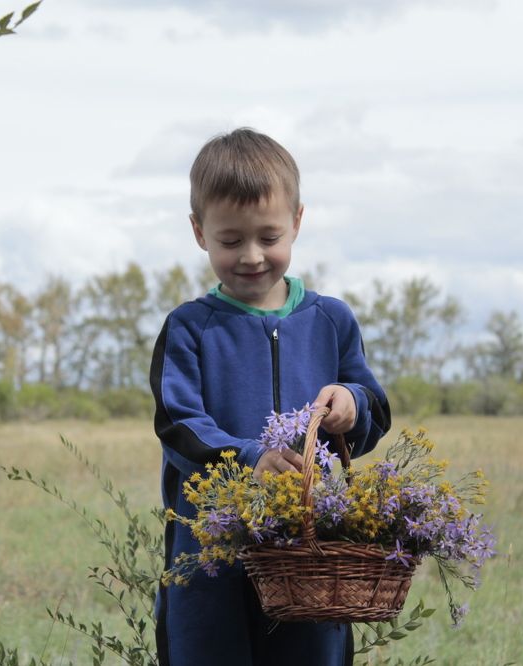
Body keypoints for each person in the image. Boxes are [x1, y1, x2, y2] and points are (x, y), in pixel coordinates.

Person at [149, 128, 391, 666]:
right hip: (209, 561)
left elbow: (374, 410)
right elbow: (178, 426)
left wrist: (352, 405)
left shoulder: (330, 320)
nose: (252, 256)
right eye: (230, 241)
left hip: (309, 556)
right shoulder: (189, 328)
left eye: (269, 236)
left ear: (298, 222)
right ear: (199, 232)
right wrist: (251, 460)